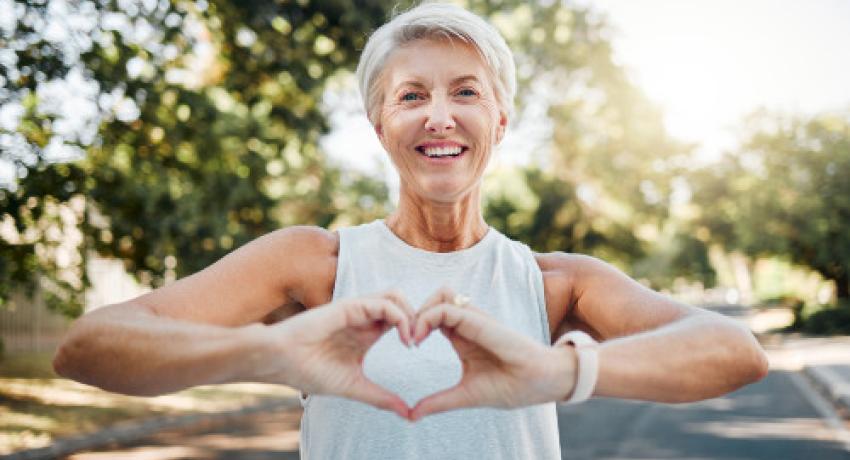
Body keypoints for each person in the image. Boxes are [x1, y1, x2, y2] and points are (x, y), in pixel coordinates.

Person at [53, 2, 769, 459]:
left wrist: (559, 370)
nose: (439, 116)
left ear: (499, 121)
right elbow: (86, 348)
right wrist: (269, 353)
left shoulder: (555, 284)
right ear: (380, 126)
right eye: (411, 96)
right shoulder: (313, 264)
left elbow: (735, 352)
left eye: (466, 92)